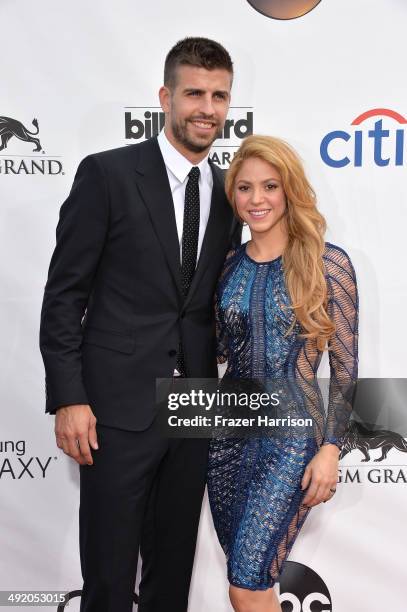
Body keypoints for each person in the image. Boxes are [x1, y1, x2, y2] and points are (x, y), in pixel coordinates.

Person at [39, 37, 241, 612]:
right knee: (107, 572)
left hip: (194, 404)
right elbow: (63, 295)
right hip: (114, 408)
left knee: (172, 570)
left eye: (220, 96)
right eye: (195, 93)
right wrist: (68, 397)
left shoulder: (231, 192)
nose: (208, 108)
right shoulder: (107, 174)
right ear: (165, 96)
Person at [207, 135, 358, 612]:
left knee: (246, 584)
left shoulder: (326, 263)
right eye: (245, 188)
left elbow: (347, 369)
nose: (257, 200)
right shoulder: (227, 265)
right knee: (251, 581)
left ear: (289, 190)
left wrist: (331, 448)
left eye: (269, 186)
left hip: (290, 441)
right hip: (226, 440)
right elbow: (213, 351)